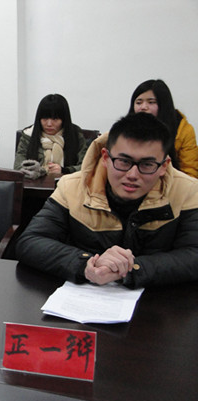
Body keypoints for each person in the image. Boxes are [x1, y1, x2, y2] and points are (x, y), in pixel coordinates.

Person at [16, 113, 198, 289]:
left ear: (164, 166)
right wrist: (87, 264)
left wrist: (133, 269)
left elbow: (194, 254)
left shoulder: (187, 190)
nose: (132, 175)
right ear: (105, 157)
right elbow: (30, 242)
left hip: (160, 300)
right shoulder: (72, 186)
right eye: (124, 161)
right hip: (85, 297)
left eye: (147, 164)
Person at [128, 79, 198, 178]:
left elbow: (190, 171)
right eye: (139, 103)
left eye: (151, 102)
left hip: (171, 183)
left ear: (163, 105)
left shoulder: (183, 130)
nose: (143, 107)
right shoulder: (124, 130)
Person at [14, 94, 88, 178]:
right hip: (34, 183)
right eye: (45, 119)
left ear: (64, 119)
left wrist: (64, 170)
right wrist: (37, 171)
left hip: (67, 183)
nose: (49, 124)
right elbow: (18, 167)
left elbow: (86, 166)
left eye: (55, 119)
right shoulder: (28, 135)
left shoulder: (75, 135)